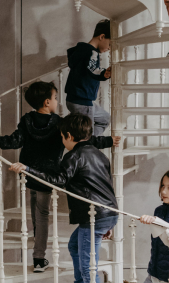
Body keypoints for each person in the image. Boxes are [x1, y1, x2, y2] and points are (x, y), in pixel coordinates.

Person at [0, 82, 120, 273]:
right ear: (47, 102)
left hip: (30, 174)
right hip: (51, 175)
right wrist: (108, 141)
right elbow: (84, 139)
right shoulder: (59, 123)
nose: (57, 102)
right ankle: (39, 258)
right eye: (56, 98)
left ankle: (39, 259)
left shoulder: (26, 121)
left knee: (37, 214)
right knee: (44, 214)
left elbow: (12, 141)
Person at [8, 113, 118, 283]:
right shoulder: (99, 154)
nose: (61, 141)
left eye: (61, 137)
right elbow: (106, 186)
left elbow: (57, 181)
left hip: (94, 216)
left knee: (88, 267)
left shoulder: (74, 156)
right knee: (74, 246)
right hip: (107, 212)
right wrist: (107, 220)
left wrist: (28, 170)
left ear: (69, 136)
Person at [65, 19, 112, 136]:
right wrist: (103, 73)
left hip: (75, 100)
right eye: (110, 44)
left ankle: (88, 142)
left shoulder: (81, 50)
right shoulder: (92, 52)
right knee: (86, 134)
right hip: (82, 102)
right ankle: (87, 145)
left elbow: (87, 68)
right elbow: (92, 68)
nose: (109, 48)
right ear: (102, 36)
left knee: (105, 119)